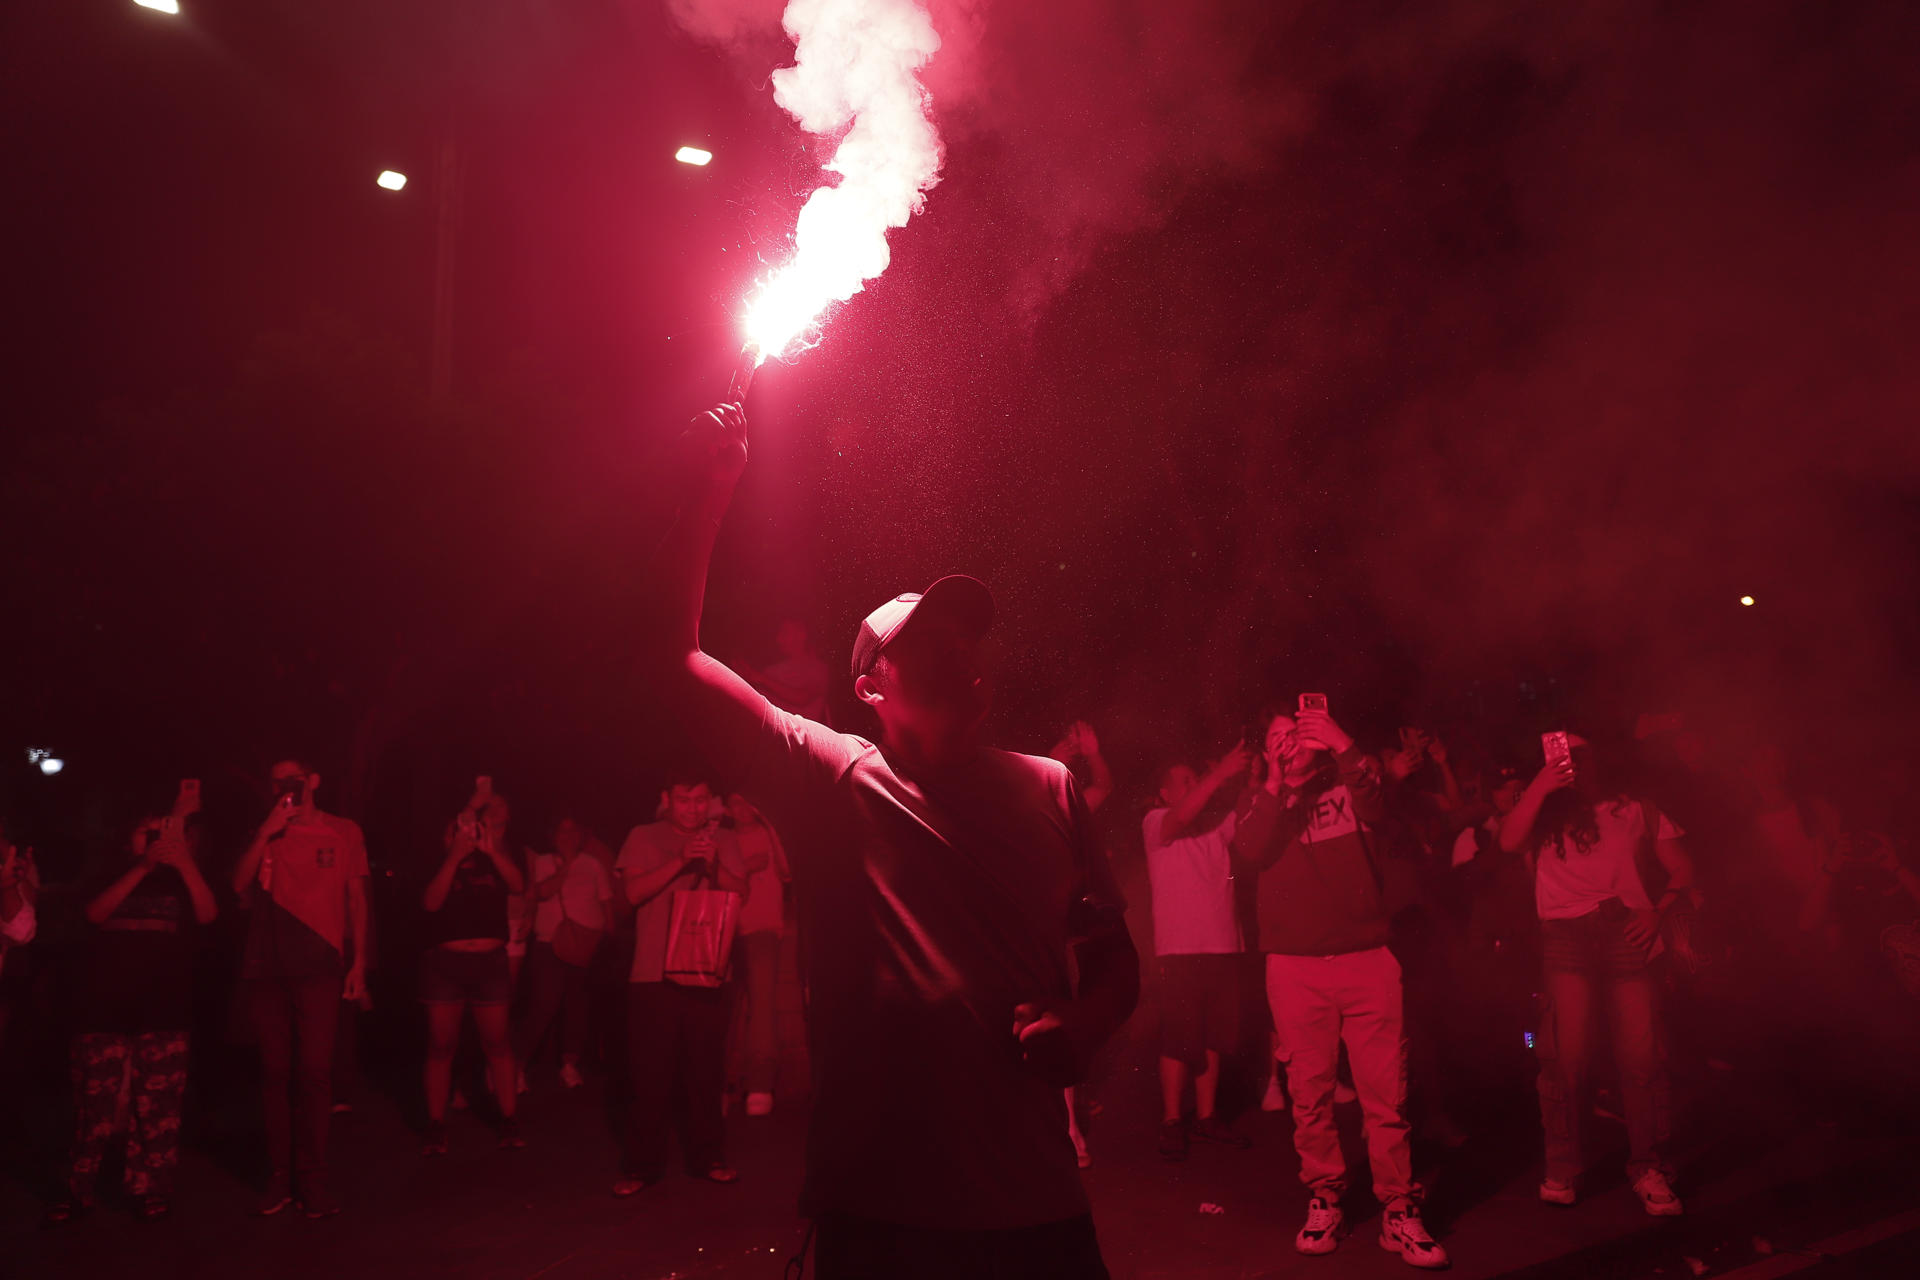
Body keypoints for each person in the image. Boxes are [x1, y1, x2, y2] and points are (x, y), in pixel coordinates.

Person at [646, 401, 1138, 1279]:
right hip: (881, 1214)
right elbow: (671, 658)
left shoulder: (1051, 786)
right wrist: (712, 490)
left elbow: (1114, 958)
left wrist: (1086, 1020)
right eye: (927, 642)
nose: (958, 651)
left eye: (964, 637)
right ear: (871, 686)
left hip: (1035, 1206)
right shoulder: (832, 775)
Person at [1233, 704, 1449, 1269]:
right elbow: (1250, 849)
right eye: (1277, 737)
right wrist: (1277, 783)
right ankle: (1325, 1197)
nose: (1288, 742)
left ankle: (1399, 1211)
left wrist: (1340, 740)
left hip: (1367, 959)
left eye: (1296, 733)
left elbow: (1377, 802)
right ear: (1266, 750)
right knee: (1310, 1092)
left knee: (1386, 1095)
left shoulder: (1350, 785)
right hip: (1294, 966)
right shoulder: (1263, 798)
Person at [1498, 733, 1696, 1217]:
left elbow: (1684, 869)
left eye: (1580, 753)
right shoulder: (1542, 812)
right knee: (1567, 1058)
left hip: (1626, 932)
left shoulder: (1635, 808)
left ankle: (1650, 1167)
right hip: (1565, 939)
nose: (1572, 762)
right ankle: (1563, 1168)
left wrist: (1657, 911)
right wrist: (1543, 787)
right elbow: (1507, 842)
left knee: (1641, 1057)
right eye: (1561, 756)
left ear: (1598, 758)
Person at [46, 808, 217, 1223]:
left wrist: (185, 863)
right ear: (129, 839)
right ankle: (77, 1190)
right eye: (148, 832)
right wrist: (143, 866)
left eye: (165, 832)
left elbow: (209, 914)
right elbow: (94, 914)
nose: (157, 838)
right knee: (94, 1110)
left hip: (164, 1011)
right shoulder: (106, 871)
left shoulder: (183, 879)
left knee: (157, 1113)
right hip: (102, 1011)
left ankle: (149, 1190)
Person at [231, 758, 369, 1218]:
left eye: (294, 777)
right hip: (268, 965)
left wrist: (360, 962)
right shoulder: (269, 830)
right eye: (277, 780)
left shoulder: (345, 831)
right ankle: (280, 1177)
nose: (286, 785)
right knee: (275, 1073)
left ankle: (311, 1179)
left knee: (314, 1072)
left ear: (313, 780)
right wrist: (266, 830)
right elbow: (238, 885)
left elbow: (356, 898)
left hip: (321, 964)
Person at [612, 772, 748, 1193]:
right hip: (651, 975)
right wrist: (681, 860)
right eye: (685, 799)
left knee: (705, 1074)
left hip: (707, 971)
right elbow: (630, 895)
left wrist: (713, 862)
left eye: (701, 800)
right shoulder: (643, 835)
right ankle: (641, 1167)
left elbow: (739, 892)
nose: (693, 807)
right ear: (666, 799)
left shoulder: (723, 838)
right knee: (649, 1077)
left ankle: (709, 1158)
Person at [1144, 747, 1253, 1161]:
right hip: (1179, 950)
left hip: (1224, 945)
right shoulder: (1156, 823)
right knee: (1178, 1039)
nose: (1194, 785)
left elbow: (1244, 814)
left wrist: (1251, 777)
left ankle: (1206, 1117)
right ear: (1164, 792)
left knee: (1214, 1037)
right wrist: (1220, 771)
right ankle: (1172, 1119)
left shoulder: (1215, 826)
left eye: (1196, 778)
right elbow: (1183, 816)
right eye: (1185, 781)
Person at [420, 785, 527, 1153]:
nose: (465, 836)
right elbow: (431, 904)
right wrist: (452, 858)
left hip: (489, 962)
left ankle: (509, 1120)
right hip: (445, 965)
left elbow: (518, 885)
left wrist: (491, 852)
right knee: (440, 1045)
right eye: (456, 831)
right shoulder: (438, 861)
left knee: (497, 1044)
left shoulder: (496, 859)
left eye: (470, 830)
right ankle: (435, 1124)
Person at [514, 816, 615, 1089]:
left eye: (573, 831)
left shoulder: (594, 865)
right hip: (549, 943)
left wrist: (608, 938)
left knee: (577, 1005)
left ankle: (569, 1064)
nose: (568, 836)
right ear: (553, 834)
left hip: (584, 945)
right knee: (543, 1005)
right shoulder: (544, 862)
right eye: (562, 830)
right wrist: (568, 863)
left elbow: (607, 904)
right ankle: (516, 1066)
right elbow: (543, 892)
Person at [726, 793, 790, 1117]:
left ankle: (760, 1085)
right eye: (735, 802)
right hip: (726, 931)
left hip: (764, 928)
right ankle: (725, 1082)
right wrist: (744, 868)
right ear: (726, 806)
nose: (743, 808)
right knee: (728, 1011)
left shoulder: (767, 833)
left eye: (748, 801)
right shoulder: (721, 837)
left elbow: (788, 870)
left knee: (762, 1007)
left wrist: (772, 824)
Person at [740, 618, 832, 723]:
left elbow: (802, 698)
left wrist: (761, 679)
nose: (778, 639)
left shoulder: (818, 668)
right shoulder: (771, 670)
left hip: (804, 738)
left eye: (785, 632)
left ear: (801, 634)